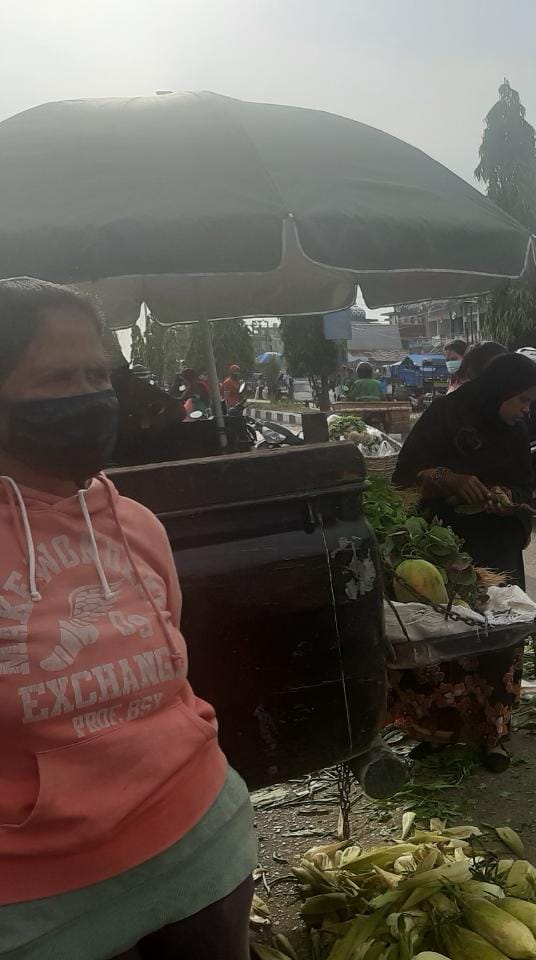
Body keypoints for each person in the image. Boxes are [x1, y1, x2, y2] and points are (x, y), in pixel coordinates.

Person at [0, 278, 255, 959]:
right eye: (57, 377)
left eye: (97, 374)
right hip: (36, 904)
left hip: (204, 848)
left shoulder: (136, 524)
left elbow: (172, 669)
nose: (88, 397)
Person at [390, 352, 536, 770]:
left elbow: (527, 488)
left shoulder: (515, 431)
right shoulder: (444, 416)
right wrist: (447, 479)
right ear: (500, 390)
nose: (525, 411)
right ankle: (439, 732)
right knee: (443, 638)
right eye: (522, 401)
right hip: (442, 548)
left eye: (530, 404)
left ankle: (493, 736)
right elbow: (404, 477)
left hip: (497, 551)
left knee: (499, 639)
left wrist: (507, 501)